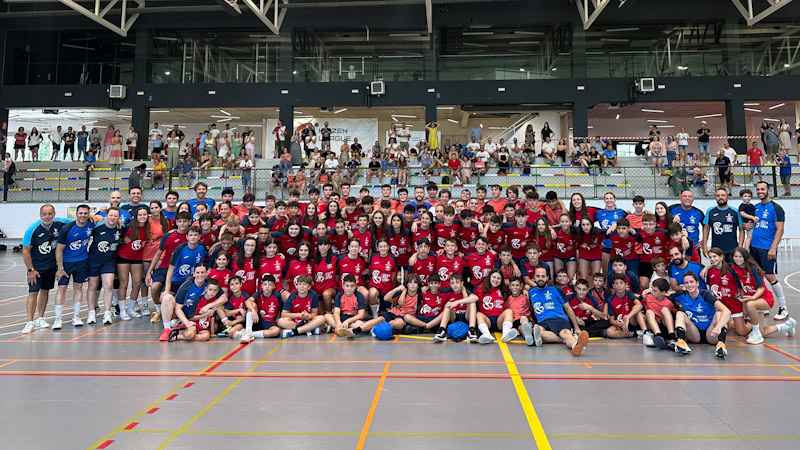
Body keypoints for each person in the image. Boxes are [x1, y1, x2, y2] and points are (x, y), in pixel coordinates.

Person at [528, 267, 590, 355]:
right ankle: (573, 339)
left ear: (547, 277)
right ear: (534, 277)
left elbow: (568, 308)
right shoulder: (531, 292)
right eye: (538, 276)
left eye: (543, 276)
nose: (540, 278)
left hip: (559, 319)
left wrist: (576, 327)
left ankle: (575, 346)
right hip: (543, 321)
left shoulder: (556, 289)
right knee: (538, 333)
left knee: (565, 333)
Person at [670, 272, 731, 358]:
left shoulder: (705, 295)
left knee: (719, 314)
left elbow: (727, 311)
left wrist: (718, 327)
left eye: (691, 282)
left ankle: (721, 345)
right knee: (680, 313)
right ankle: (681, 342)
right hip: (695, 333)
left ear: (697, 283)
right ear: (684, 285)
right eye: (686, 283)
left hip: (711, 333)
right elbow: (663, 296)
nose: (689, 285)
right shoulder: (682, 295)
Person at [751, 181, 788, 320]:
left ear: (768, 191)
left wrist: (773, 248)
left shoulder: (776, 208)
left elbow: (780, 229)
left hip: (767, 249)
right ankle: (763, 305)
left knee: (770, 276)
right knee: (757, 277)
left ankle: (783, 308)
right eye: (758, 189)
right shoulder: (755, 207)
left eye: (762, 189)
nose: (760, 191)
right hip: (753, 248)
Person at [701, 189, 743, 261]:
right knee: (717, 268)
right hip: (716, 250)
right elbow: (706, 228)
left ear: (728, 198)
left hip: (732, 249)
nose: (720, 197)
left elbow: (741, 230)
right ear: (715, 198)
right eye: (718, 196)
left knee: (732, 268)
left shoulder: (735, 211)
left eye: (723, 195)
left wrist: (740, 247)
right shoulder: (710, 211)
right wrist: (704, 246)